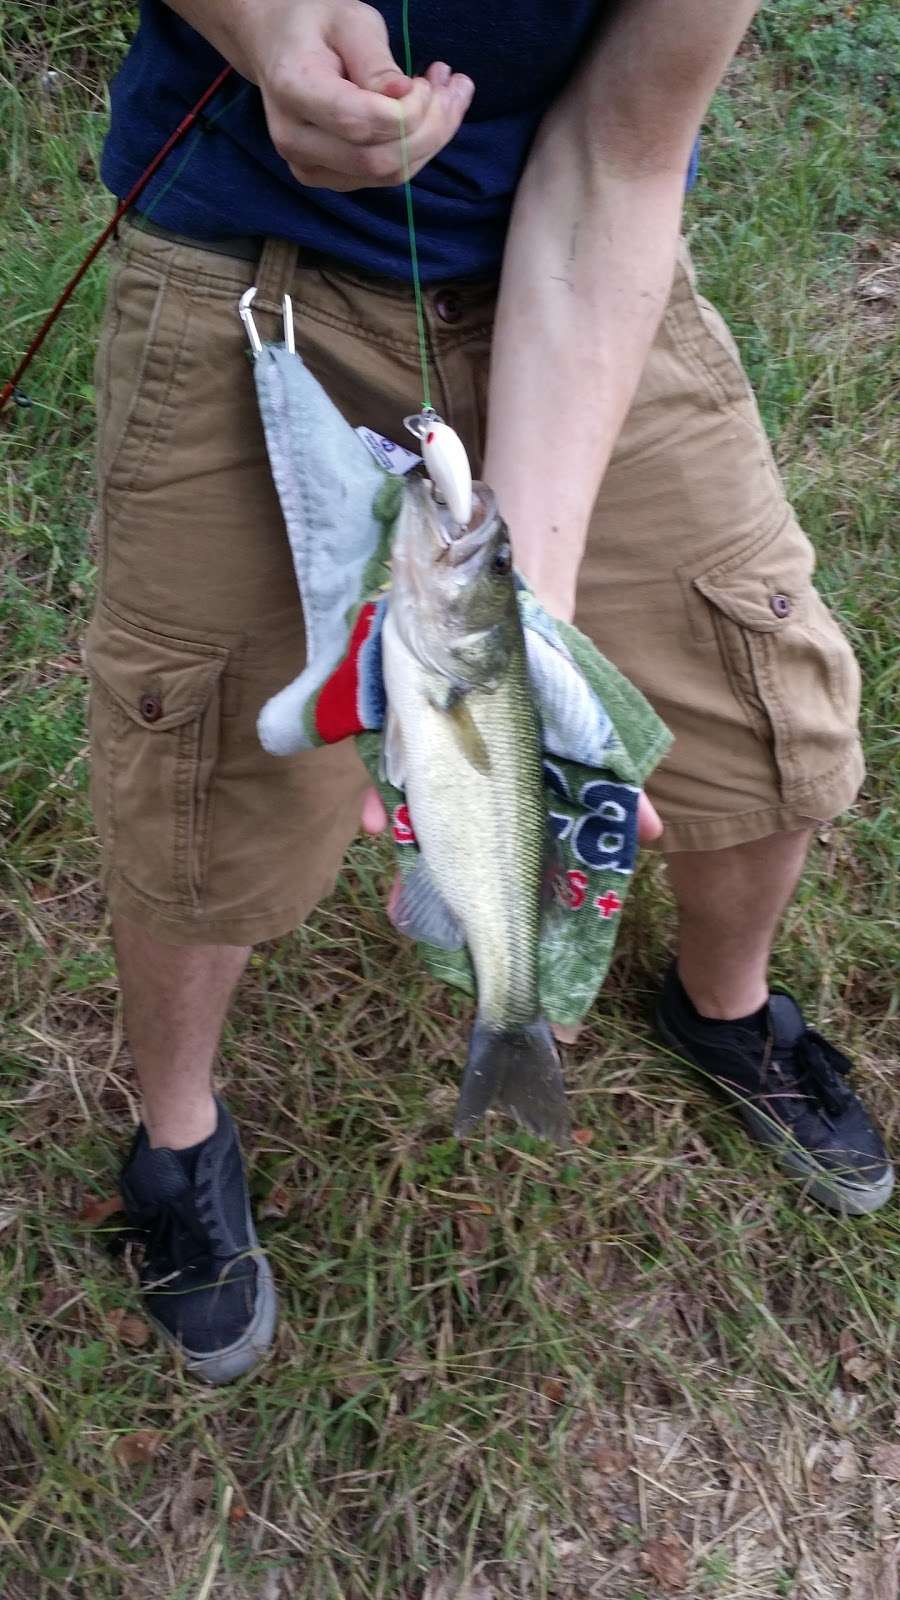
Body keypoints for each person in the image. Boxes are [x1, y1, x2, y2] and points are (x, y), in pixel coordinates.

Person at [86, 0, 892, 1384]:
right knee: (203, 769)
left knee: (768, 706)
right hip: (249, 267)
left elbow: (621, 162)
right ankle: (176, 1137)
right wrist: (265, 30)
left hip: (583, 287)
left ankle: (722, 1006)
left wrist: (536, 622)